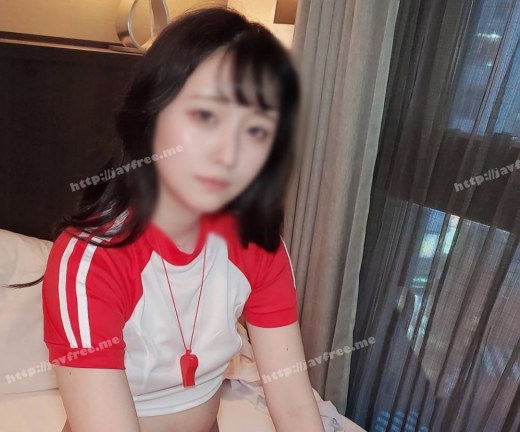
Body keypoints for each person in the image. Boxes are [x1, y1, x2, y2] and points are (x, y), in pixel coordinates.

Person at [40, 6, 325, 432]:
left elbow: (294, 404)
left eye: (256, 129)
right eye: (206, 115)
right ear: (151, 114)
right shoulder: (91, 261)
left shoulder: (256, 243)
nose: (229, 152)